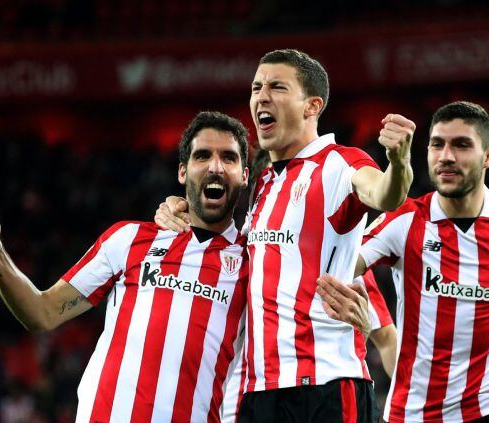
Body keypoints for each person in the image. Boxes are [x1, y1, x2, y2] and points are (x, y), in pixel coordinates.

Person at [156, 49, 415, 422]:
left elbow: (385, 194)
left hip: (324, 387)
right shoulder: (263, 184)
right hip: (259, 392)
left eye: (277, 87)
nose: (261, 96)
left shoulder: (339, 163)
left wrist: (399, 162)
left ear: (312, 106)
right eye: (256, 86)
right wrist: (176, 209)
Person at [0, 111, 251, 422]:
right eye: (203, 155)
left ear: (245, 175)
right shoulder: (129, 240)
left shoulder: (255, 265)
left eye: (228, 158)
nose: (215, 167)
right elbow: (41, 312)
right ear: (182, 171)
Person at [318, 101, 489, 422]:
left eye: (461, 145)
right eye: (437, 144)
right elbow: (338, 265)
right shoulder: (404, 222)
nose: (446, 155)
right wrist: (372, 325)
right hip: (413, 413)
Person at [220, 269, 398, 422]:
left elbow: (387, 340)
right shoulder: (245, 247)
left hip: (317, 397)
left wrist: (405, 409)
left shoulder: (342, 256)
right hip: (242, 405)